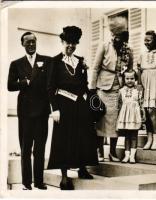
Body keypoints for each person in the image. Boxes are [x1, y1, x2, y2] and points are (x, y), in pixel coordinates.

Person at [47, 26, 98, 190]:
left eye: (74, 43)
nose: (71, 46)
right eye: (68, 42)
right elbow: (50, 87)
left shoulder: (80, 61)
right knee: (64, 139)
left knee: (83, 136)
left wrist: (88, 100)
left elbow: (85, 84)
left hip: (80, 104)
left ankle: (82, 169)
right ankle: (64, 177)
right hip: (63, 104)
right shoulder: (54, 62)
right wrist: (54, 109)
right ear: (62, 42)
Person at [7, 32, 51, 190]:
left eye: (33, 42)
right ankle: (26, 183)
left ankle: (39, 182)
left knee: (40, 148)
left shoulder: (46, 61)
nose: (31, 45)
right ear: (22, 44)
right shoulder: (16, 63)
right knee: (26, 149)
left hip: (42, 112)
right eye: (28, 43)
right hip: (25, 113)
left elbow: (51, 82)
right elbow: (10, 86)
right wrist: (24, 82)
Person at [90, 17, 133, 162]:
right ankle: (99, 152)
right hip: (103, 87)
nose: (117, 38)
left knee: (115, 123)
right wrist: (92, 88)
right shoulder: (104, 46)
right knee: (101, 120)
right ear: (112, 34)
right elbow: (95, 68)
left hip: (118, 89)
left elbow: (131, 70)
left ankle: (112, 152)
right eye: (115, 35)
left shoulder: (128, 50)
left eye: (120, 36)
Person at [137, 30, 156, 150]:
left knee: (151, 111)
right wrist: (139, 84)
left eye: (148, 40)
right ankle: (149, 138)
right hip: (145, 82)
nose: (146, 42)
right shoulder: (142, 54)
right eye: (145, 40)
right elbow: (139, 70)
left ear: (155, 40)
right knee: (146, 111)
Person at [116, 70, 145, 164]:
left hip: (134, 116)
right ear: (124, 79)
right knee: (127, 136)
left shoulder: (138, 90)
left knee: (134, 136)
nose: (129, 80)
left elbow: (141, 104)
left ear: (135, 79)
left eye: (132, 78)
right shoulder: (121, 91)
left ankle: (132, 156)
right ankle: (127, 155)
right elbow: (119, 105)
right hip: (125, 116)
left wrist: (142, 114)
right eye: (127, 78)